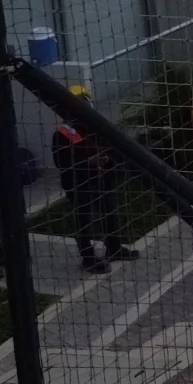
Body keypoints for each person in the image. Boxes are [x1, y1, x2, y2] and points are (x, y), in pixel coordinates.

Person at [50, 109, 131, 273]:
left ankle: (114, 248)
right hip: (78, 183)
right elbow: (61, 161)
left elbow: (107, 147)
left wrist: (106, 159)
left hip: (101, 179)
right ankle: (88, 258)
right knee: (84, 220)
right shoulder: (62, 133)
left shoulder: (92, 126)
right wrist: (88, 162)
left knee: (109, 213)